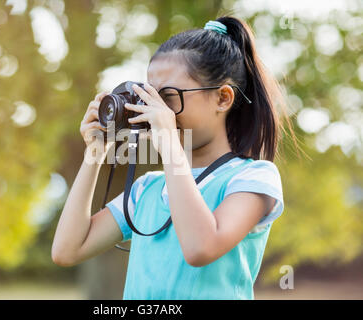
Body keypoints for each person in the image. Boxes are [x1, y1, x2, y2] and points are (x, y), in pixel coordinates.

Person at [51, 16, 298, 300]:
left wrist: (169, 145)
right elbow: (67, 250)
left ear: (223, 98)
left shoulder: (252, 178)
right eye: (150, 96)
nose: (155, 110)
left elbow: (200, 248)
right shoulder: (147, 189)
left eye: (168, 97)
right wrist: (95, 153)